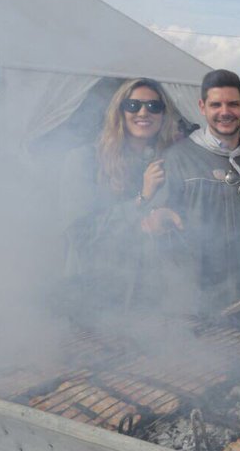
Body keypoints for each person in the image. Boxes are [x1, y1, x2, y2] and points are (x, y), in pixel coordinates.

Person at [143, 70, 240, 315]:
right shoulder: (176, 159)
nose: (225, 112)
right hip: (196, 301)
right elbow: (156, 230)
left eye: (233, 104)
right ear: (202, 107)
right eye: (216, 104)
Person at [60, 78, 182, 315]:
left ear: (163, 114)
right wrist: (143, 198)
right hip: (97, 294)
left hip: (152, 296)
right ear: (119, 110)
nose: (144, 112)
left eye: (154, 106)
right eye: (133, 105)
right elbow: (82, 233)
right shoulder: (84, 159)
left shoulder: (171, 161)